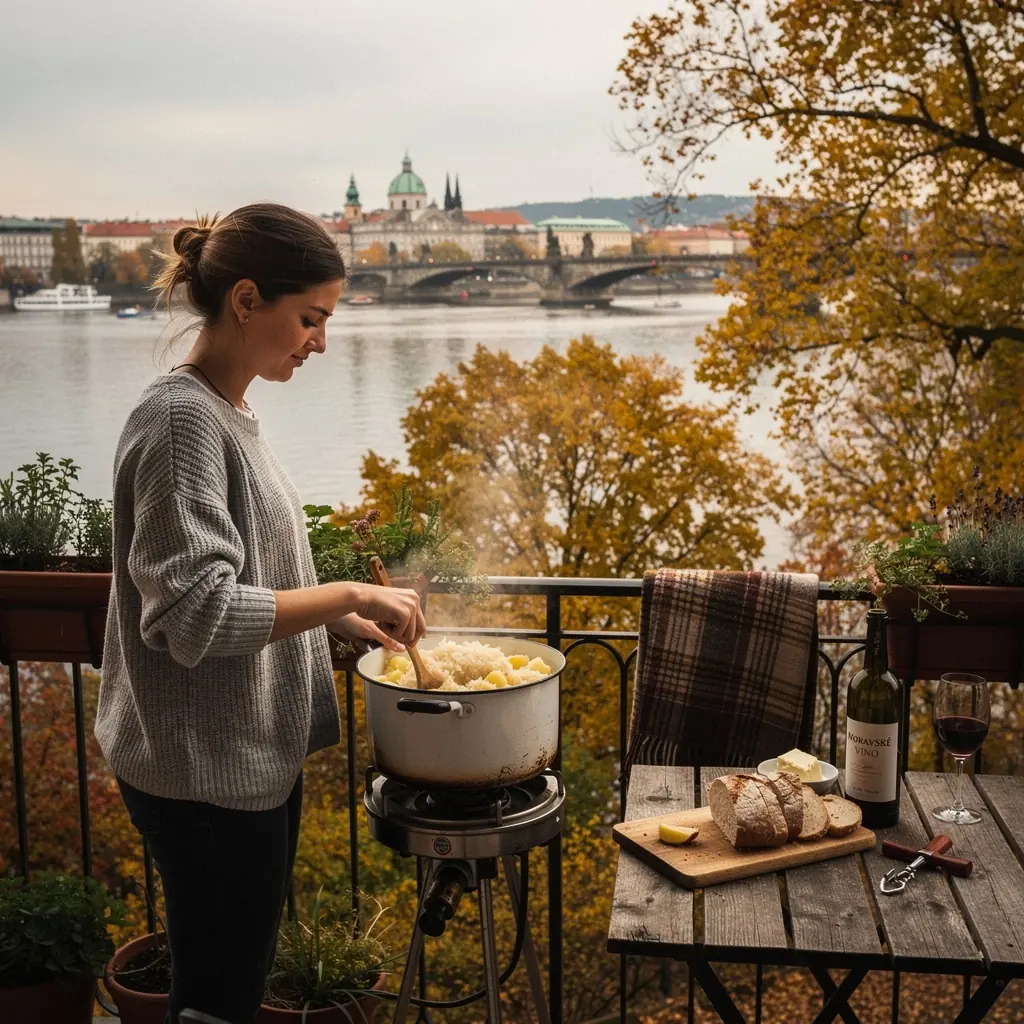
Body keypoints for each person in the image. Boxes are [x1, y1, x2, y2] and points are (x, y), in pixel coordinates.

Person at [94, 202, 426, 1024]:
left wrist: (338, 623)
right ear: (247, 301)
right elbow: (196, 615)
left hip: (240, 760)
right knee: (217, 1002)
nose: (320, 342)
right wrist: (350, 592)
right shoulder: (180, 422)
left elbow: (252, 572)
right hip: (203, 772)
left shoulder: (229, 412)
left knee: (230, 986)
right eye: (309, 318)